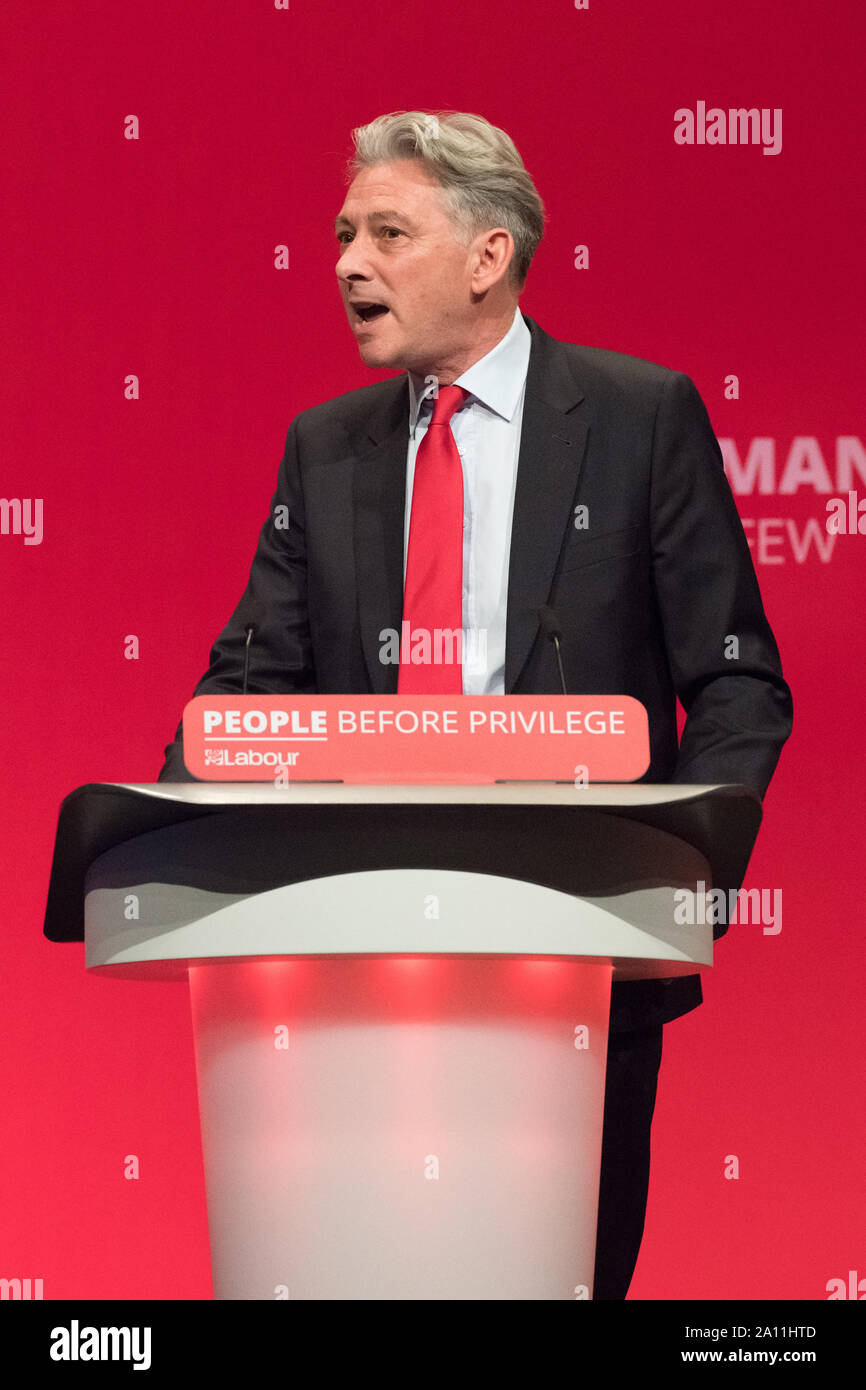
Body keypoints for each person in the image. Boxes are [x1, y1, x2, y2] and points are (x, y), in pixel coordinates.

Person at [157, 110, 793, 1298]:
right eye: (343, 233)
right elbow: (248, 684)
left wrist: (678, 865)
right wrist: (171, 822)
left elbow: (735, 682)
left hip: (576, 948)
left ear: (487, 255)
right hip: (344, 952)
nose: (346, 261)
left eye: (386, 232)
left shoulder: (635, 418)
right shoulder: (325, 448)